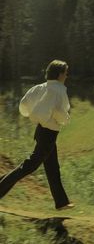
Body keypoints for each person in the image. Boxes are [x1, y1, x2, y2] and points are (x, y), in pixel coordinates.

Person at [0, 60, 74, 210]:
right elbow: (60, 112)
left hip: (41, 131)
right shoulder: (58, 89)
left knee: (53, 168)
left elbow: (24, 104)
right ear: (60, 74)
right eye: (66, 72)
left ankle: (61, 202)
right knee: (27, 167)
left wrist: (37, 115)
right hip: (48, 135)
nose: (67, 75)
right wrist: (65, 119)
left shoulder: (40, 87)